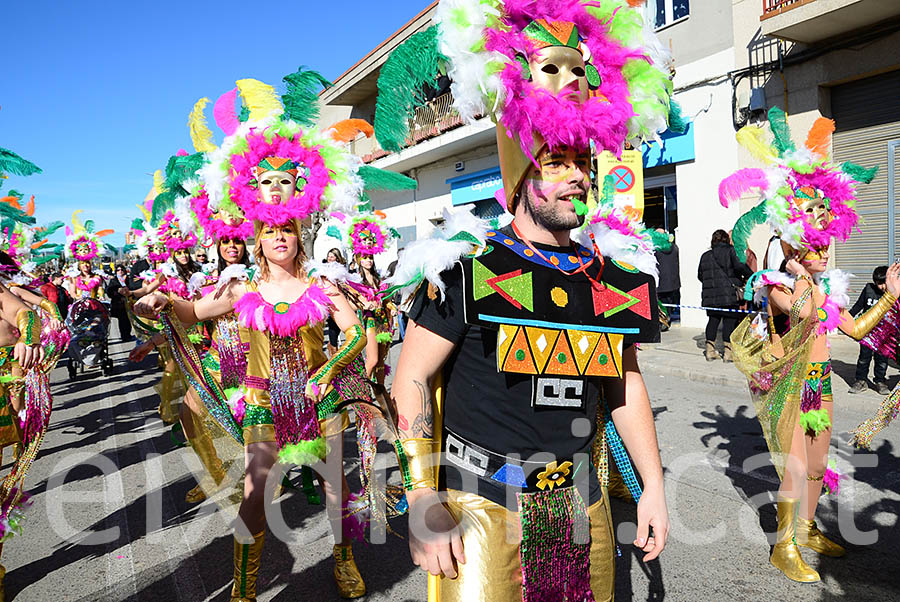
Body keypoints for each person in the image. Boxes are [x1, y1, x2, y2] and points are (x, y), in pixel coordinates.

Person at [382, 2, 674, 599]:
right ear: (519, 178)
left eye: (584, 164)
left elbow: (626, 387)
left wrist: (651, 486)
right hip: (480, 508)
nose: (578, 178)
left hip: (579, 510)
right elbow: (410, 375)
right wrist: (421, 496)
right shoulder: (466, 271)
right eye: (557, 163)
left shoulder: (613, 281)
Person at [723, 107, 898, 583]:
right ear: (796, 241)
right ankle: (785, 546)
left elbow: (858, 332)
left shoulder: (828, 288)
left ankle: (807, 525)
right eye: (816, 243)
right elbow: (803, 312)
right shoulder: (778, 284)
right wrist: (798, 269)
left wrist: (889, 299)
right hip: (788, 386)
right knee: (796, 468)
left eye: (826, 244)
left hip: (817, 386)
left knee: (819, 466)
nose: (825, 251)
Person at [698, 229, 752, 362]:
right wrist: (751, 275)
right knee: (729, 322)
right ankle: (728, 353)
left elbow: (700, 275)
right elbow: (740, 267)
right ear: (726, 240)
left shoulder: (705, 256)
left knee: (713, 320)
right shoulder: (731, 251)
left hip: (710, 296)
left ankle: (709, 351)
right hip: (729, 294)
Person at [849, 266, 891, 394]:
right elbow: (858, 306)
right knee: (864, 358)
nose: (882, 287)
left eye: (884, 283)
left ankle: (880, 381)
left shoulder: (893, 294)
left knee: (882, 359)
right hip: (867, 331)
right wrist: (846, 319)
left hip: (884, 333)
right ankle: (861, 381)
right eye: (879, 283)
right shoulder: (868, 289)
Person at [323, 247, 346, 356]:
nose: (330, 258)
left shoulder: (342, 269)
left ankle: (332, 345)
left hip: (341, 300)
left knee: (339, 326)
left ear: (337, 258)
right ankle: (333, 348)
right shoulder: (323, 269)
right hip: (329, 301)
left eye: (332, 256)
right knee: (332, 325)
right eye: (329, 256)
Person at [655, 230, 681, 323]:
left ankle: (663, 321)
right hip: (673, 282)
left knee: (660, 303)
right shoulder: (674, 247)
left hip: (660, 281)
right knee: (669, 302)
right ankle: (668, 318)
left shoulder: (655, 249)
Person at [105, 265, 133, 341]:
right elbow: (109, 292)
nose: (120, 271)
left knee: (129, 320)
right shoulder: (114, 280)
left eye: (122, 269)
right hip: (119, 304)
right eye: (118, 270)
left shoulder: (129, 279)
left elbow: (133, 288)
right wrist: (118, 292)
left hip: (129, 302)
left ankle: (128, 334)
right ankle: (124, 336)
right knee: (122, 320)